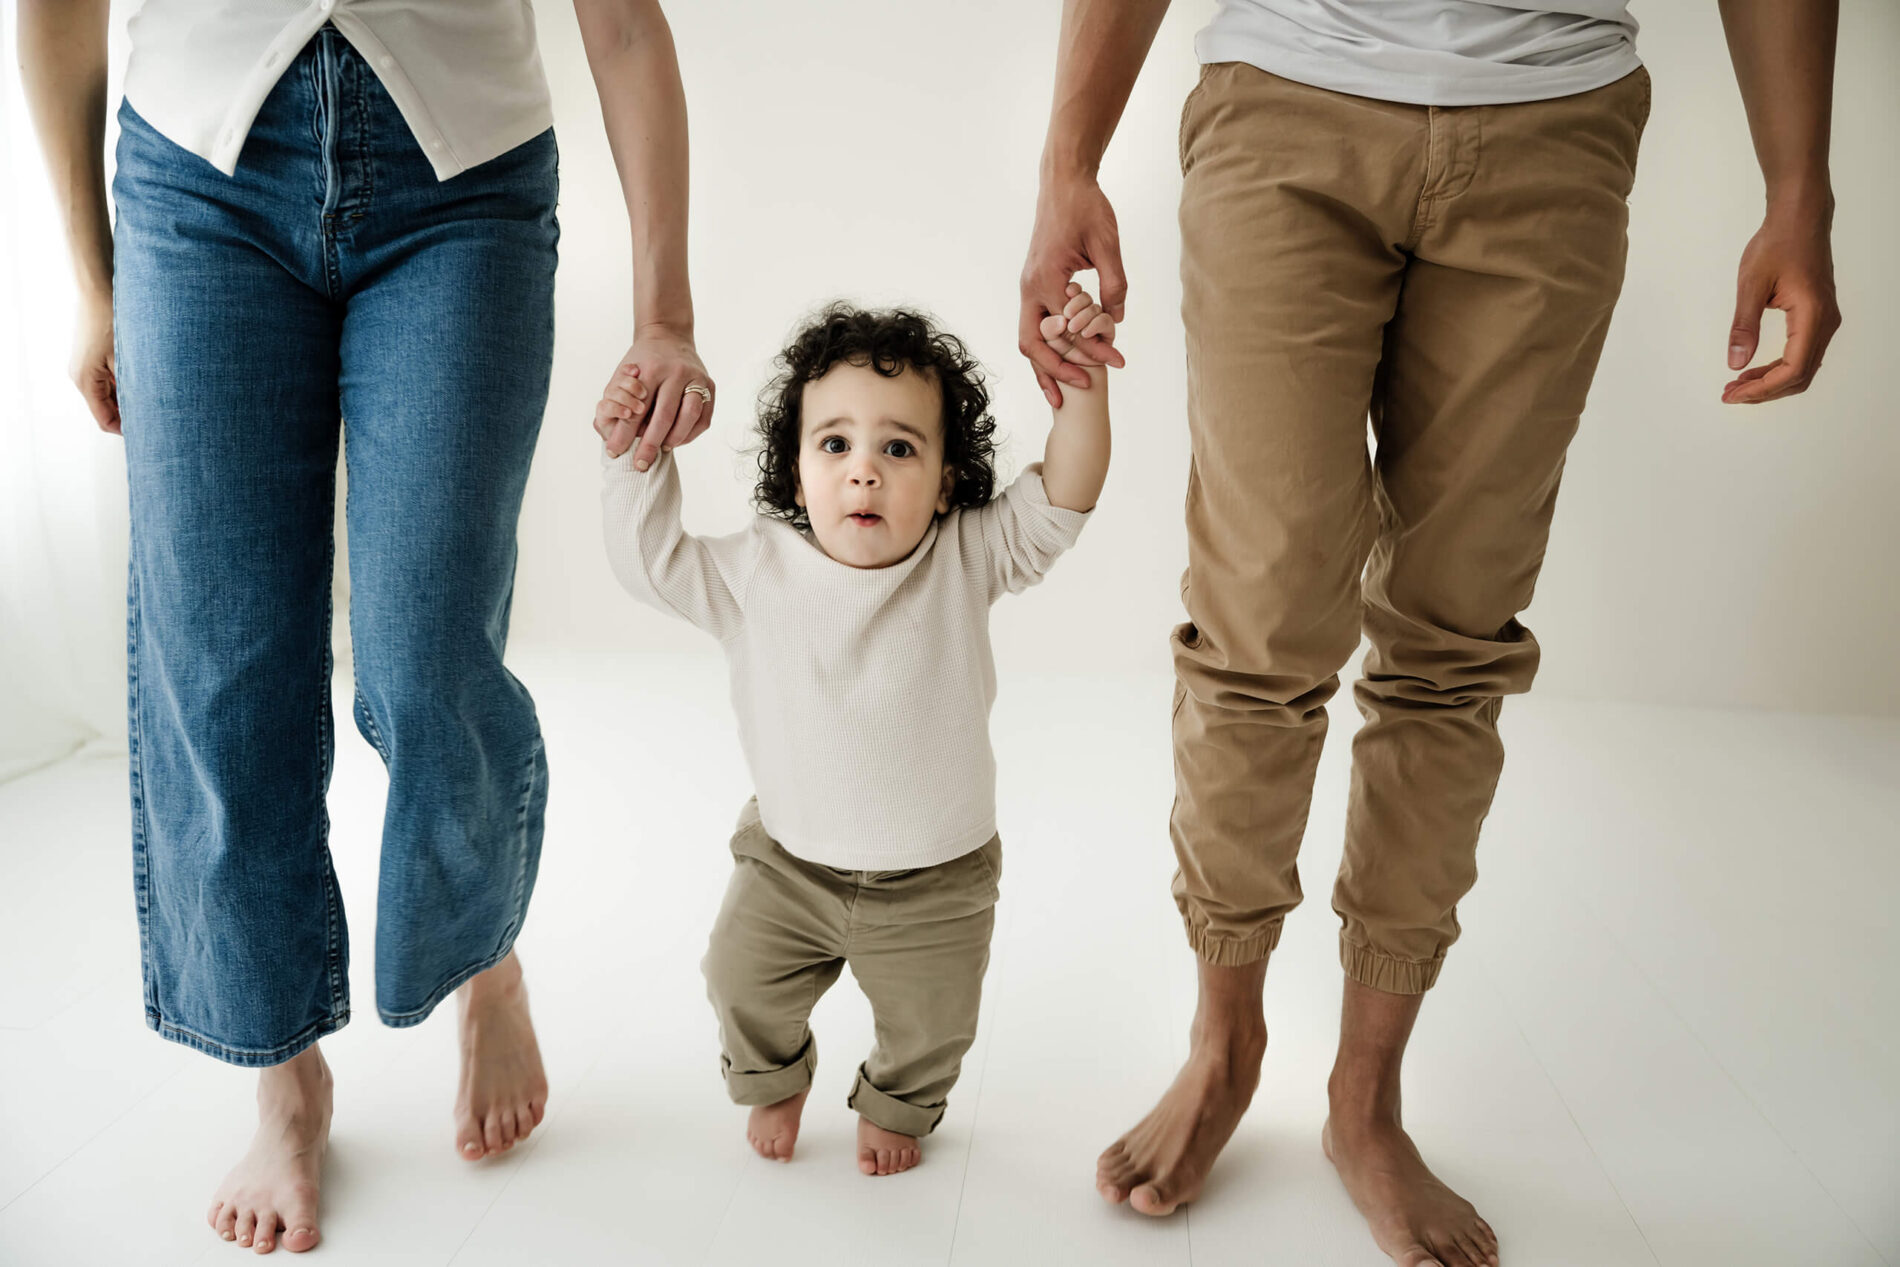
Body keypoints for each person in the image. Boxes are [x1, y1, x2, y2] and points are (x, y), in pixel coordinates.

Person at [1017, 3, 1841, 1264]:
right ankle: (1224, 1040)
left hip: (1553, 125)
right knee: (1258, 624)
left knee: (1454, 644)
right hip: (1285, 99)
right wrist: (1067, 157)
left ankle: (1365, 1098)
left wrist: (1799, 185)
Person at [18, 0, 716, 1252]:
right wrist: (91, 278)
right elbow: (58, 12)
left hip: (465, 181)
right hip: (198, 182)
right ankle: (283, 1071)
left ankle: (478, 953)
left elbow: (619, 23)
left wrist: (664, 312)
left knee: (431, 651)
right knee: (223, 668)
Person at [595, 291, 1116, 1175]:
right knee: (736, 976)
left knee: (934, 1018)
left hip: (939, 878)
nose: (863, 471)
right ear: (796, 473)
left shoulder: (967, 553)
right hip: (789, 862)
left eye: (899, 448)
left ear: (948, 478)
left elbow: (1065, 499)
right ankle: (773, 1073)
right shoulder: (758, 568)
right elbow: (649, 564)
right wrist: (636, 458)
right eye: (834, 444)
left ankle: (898, 1098)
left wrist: (1085, 395)